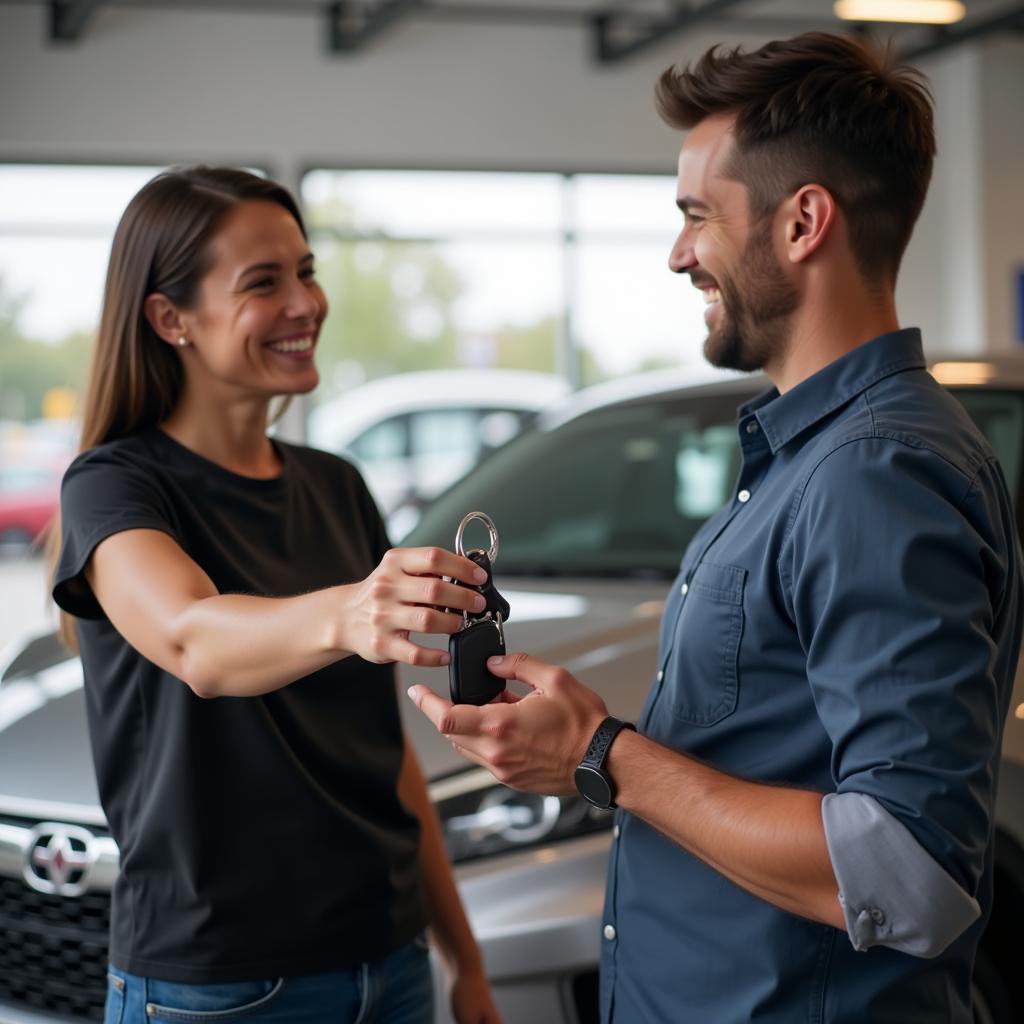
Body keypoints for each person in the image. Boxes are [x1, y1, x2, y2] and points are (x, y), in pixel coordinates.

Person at [409, 32, 1024, 1023]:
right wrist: (584, 755)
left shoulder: (875, 472)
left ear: (802, 223)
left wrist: (605, 754)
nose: (677, 252)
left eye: (697, 214)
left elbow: (908, 871)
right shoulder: (811, 456)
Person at [51, 166, 502, 1024]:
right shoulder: (114, 489)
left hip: (390, 957)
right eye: (264, 282)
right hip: (216, 985)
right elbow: (193, 640)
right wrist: (350, 612)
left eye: (307, 270)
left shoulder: (337, 486)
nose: (305, 302)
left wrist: (463, 957)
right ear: (169, 318)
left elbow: (384, 755)